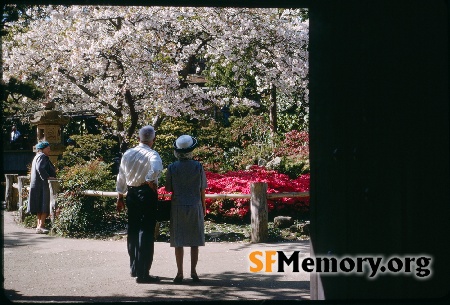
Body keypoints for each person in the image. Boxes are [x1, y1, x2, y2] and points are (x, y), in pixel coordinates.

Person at [116, 125, 163, 284]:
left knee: (133, 229)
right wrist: (150, 179)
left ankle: (134, 267)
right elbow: (156, 168)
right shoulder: (152, 154)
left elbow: (121, 176)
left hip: (131, 193)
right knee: (146, 231)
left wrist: (120, 196)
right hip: (146, 193)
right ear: (153, 140)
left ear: (138, 139)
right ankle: (143, 273)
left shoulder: (128, 153)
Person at [165, 135, 207, 283]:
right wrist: (204, 205)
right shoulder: (198, 166)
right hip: (195, 204)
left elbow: (169, 188)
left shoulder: (172, 167)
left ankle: (179, 273)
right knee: (195, 240)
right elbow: (202, 189)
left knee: (178, 241)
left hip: (178, 205)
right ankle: (194, 272)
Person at [27, 141, 56, 234]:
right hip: (43, 184)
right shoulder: (42, 156)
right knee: (44, 203)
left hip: (37, 184)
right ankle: (41, 226)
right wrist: (48, 177)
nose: (49, 150)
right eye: (48, 148)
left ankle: (39, 225)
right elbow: (40, 168)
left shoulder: (37, 156)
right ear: (42, 149)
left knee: (39, 204)